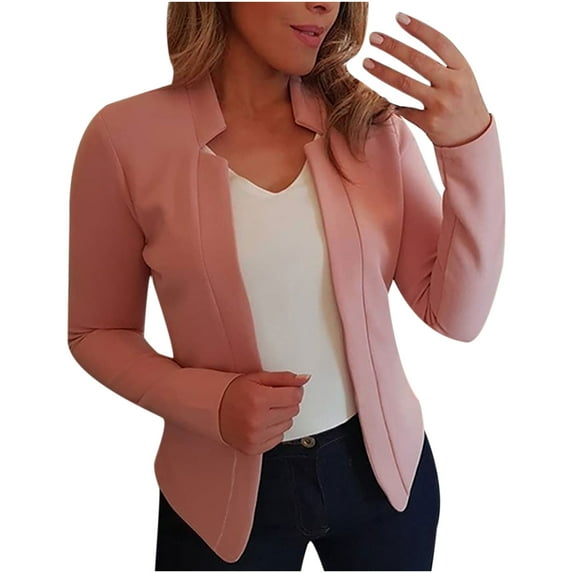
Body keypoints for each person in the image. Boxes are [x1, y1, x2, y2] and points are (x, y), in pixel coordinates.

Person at [67, 2, 504, 571]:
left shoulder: (370, 126)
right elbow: (96, 332)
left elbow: (456, 316)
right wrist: (211, 402)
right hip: (215, 493)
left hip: (384, 477)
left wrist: (469, 146)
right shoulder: (125, 138)